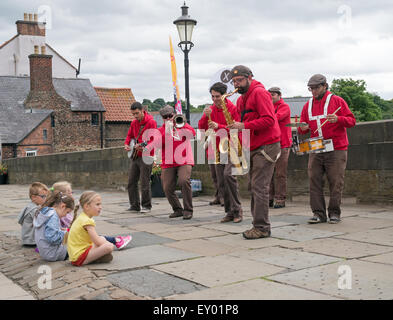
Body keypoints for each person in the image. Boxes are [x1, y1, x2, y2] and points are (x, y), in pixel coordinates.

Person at [227, 65, 281, 239]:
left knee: (259, 187)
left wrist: (243, 126)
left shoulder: (259, 93)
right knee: (254, 186)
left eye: (240, 80)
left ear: (250, 77)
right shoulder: (241, 99)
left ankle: (262, 227)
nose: (237, 85)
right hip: (254, 145)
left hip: (267, 145)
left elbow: (269, 120)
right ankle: (258, 225)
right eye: (234, 81)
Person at [298, 74, 356, 224]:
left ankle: (335, 213)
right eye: (311, 88)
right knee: (314, 180)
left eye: (316, 88)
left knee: (336, 181)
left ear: (325, 86)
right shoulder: (308, 105)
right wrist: (302, 128)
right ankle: (318, 213)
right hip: (316, 147)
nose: (313, 91)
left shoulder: (337, 101)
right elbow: (303, 127)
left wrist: (339, 119)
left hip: (336, 147)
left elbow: (351, 121)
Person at [198, 82, 243, 223]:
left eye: (217, 96)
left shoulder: (232, 108)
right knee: (221, 181)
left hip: (233, 145)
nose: (215, 99)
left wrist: (219, 126)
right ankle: (229, 212)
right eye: (212, 96)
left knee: (229, 175)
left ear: (223, 96)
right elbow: (201, 127)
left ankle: (238, 211)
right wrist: (206, 116)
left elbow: (236, 128)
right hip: (218, 148)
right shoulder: (211, 109)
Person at [144, 105, 196, 220]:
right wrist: (167, 132)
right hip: (168, 162)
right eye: (165, 117)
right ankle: (177, 209)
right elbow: (156, 144)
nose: (168, 119)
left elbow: (192, 134)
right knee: (167, 187)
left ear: (174, 115)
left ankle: (188, 210)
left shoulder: (181, 124)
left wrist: (178, 128)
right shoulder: (160, 130)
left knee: (183, 181)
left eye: (170, 116)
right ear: (162, 118)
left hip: (184, 160)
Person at [67, 191, 132, 266]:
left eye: (100, 204)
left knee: (102, 239)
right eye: (97, 204)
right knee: (109, 247)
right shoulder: (87, 221)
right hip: (78, 258)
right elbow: (97, 241)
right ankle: (91, 260)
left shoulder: (82, 217)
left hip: (76, 254)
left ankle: (96, 257)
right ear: (86, 206)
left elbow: (95, 240)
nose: (100, 207)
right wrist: (107, 244)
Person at [124, 101, 157, 213]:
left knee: (144, 182)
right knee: (131, 182)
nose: (135, 116)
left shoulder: (151, 122)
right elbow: (129, 136)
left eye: (137, 113)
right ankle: (134, 205)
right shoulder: (134, 123)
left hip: (147, 156)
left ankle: (146, 206)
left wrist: (144, 146)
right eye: (133, 114)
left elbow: (153, 140)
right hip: (135, 156)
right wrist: (127, 144)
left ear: (143, 111)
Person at [268, 87, 292, 209]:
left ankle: (280, 198)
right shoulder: (268, 106)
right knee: (269, 173)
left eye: (273, 94)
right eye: (269, 95)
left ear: (279, 95)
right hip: (271, 143)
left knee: (280, 173)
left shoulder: (284, 106)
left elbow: (273, 119)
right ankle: (270, 197)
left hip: (283, 144)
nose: (271, 96)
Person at [33, 191, 74, 261]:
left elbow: (48, 231)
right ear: (63, 206)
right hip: (54, 254)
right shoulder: (53, 216)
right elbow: (52, 237)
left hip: (46, 252)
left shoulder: (46, 212)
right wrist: (67, 234)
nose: (66, 215)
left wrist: (60, 230)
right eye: (67, 212)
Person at [17, 182, 49, 246]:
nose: (46, 199)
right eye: (43, 196)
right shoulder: (33, 209)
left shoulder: (33, 206)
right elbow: (43, 221)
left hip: (27, 238)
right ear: (33, 197)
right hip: (31, 240)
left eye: (46, 196)